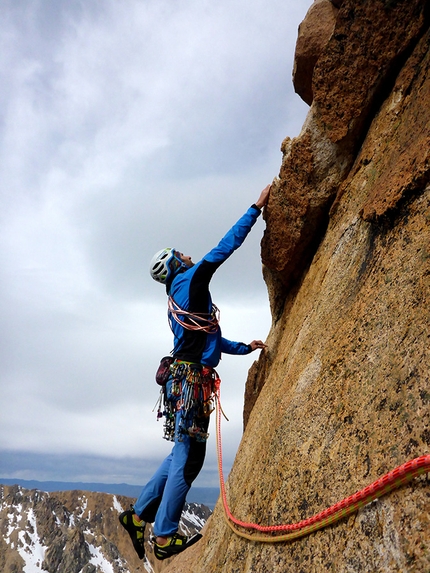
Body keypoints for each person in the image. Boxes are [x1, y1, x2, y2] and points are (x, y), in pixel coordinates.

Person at [119, 184, 271, 561]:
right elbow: (223, 248)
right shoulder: (193, 282)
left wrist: (243, 347)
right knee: (187, 459)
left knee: (177, 455)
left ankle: (138, 518)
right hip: (191, 383)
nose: (188, 254)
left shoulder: (174, 301)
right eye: (180, 254)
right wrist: (254, 208)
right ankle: (165, 535)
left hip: (180, 380)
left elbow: (206, 342)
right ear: (175, 265)